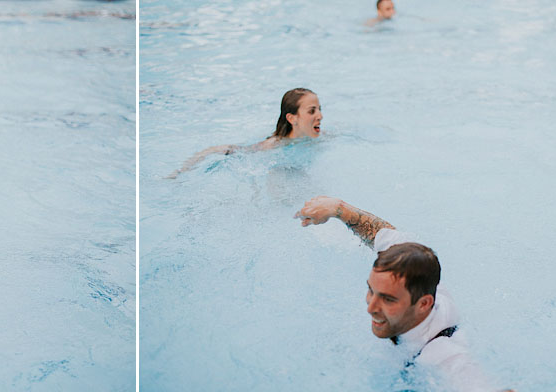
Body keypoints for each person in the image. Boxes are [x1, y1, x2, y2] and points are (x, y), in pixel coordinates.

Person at [295, 196, 514, 392]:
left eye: (388, 299)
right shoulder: (413, 267)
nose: (371, 307)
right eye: (371, 290)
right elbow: (379, 232)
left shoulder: (442, 354)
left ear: (423, 304)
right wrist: (337, 209)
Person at [167, 87, 323, 179]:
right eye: (312, 111)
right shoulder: (274, 145)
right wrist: (181, 171)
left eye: (319, 109)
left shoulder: (319, 138)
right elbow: (229, 150)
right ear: (292, 118)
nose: (320, 116)